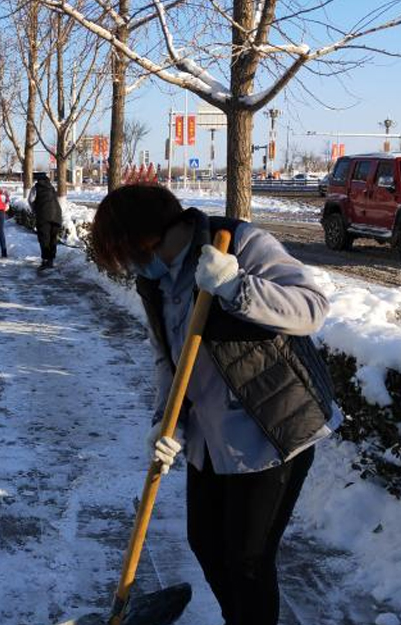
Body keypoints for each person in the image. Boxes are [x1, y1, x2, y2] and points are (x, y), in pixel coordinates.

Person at [90, 184, 340, 625]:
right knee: (205, 542)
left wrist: (236, 286)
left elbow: (312, 309)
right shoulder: (154, 281)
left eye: (128, 254)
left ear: (147, 237)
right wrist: (166, 423)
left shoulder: (240, 243)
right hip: (211, 436)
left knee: (248, 559)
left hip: (271, 429)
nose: (131, 267)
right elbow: (166, 358)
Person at [28, 172, 63, 270]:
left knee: (44, 239)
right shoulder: (51, 188)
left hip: (44, 216)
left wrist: (34, 209)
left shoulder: (35, 188)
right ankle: (51, 260)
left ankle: (45, 260)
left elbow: (30, 200)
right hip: (57, 216)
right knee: (53, 238)